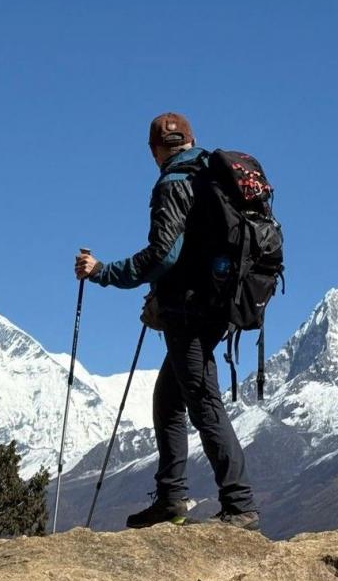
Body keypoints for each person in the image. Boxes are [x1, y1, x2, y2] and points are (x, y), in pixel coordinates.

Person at [73, 112, 259, 530]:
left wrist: (103, 271)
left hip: (190, 311)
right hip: (218, 304)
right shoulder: (208, 175)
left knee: (202, 401)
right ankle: (172, 498)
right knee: (169, 400)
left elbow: (163, 255)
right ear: (191, 141)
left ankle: (240, 504)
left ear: (154, 149)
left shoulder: (173, 183)